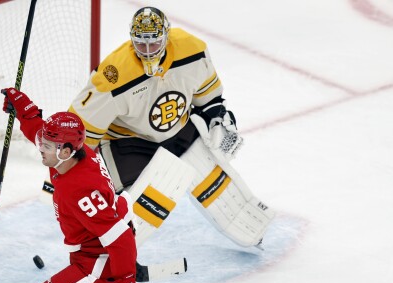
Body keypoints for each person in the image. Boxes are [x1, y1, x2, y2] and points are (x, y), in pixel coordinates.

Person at [67, 6, 274, 248]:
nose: (146, 51)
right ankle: (102, 253)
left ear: (166, 36)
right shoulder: (113, 76)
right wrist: (77, 171)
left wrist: (219, 120)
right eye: (140, 44)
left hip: (179, 130)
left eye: (153, 44)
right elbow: (80, 130)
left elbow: (209, 100)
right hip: (127, 141)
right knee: (137, 209)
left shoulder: (192, 50)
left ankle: (252, 234)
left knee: (217, 189)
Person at [1, 88, 146, 283]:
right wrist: (26, 111)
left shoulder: (79, 188)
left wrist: (124, 281)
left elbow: (118, 239)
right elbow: (40, 134)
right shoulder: (78, 154)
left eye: (48, 145)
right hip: (94, 253)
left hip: (99, 260)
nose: (41, 147)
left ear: (66, 151)